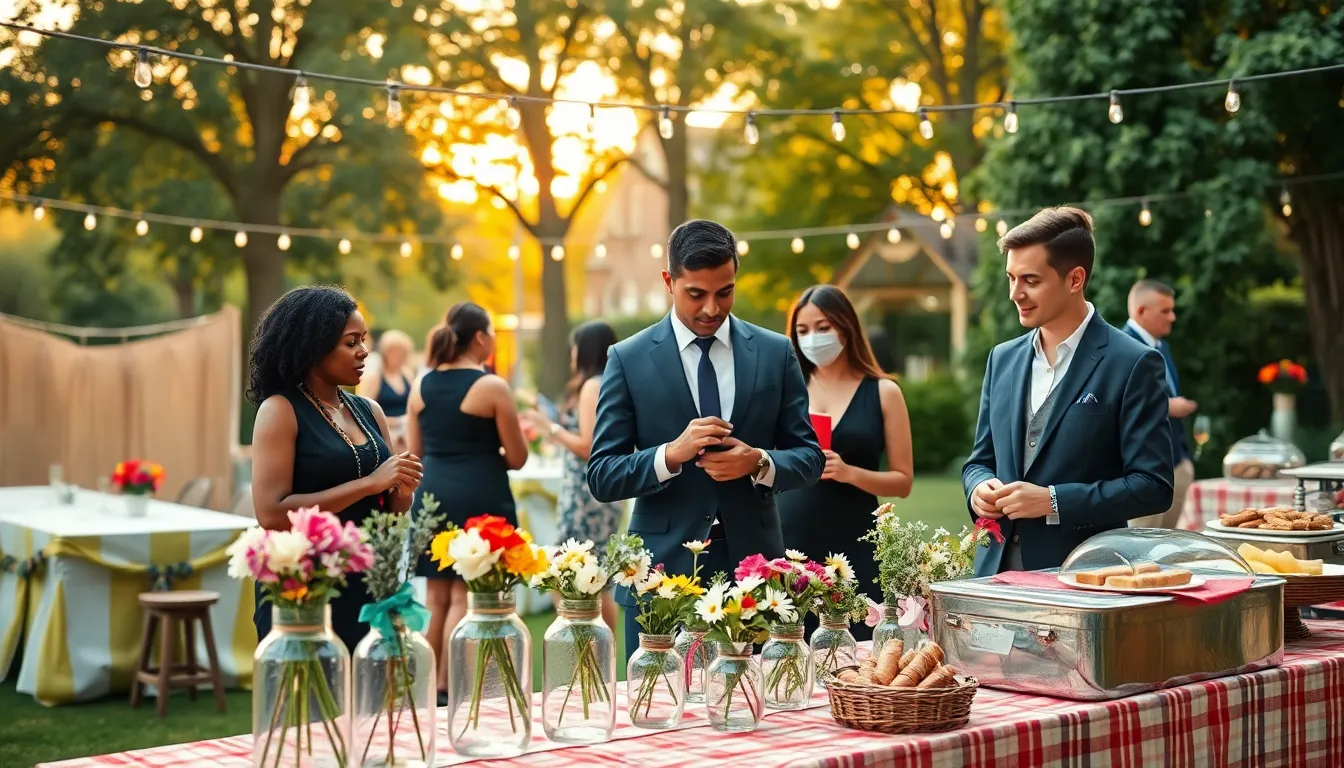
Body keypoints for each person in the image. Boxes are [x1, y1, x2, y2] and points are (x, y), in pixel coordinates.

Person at [587, 219, 825, 660]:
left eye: (725, 292)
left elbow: (810, 458)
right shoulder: (627, 358)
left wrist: (759, 462)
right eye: (696, 294)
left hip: (757, 578)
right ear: (669, 282)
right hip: (659, 579)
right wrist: (669, 455)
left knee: (758, 700)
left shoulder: (775, 352)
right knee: (661, 701)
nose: (712, 308)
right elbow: (602, 475)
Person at [963, 207, 1174, 577]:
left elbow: (1153, 486)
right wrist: (978, 488)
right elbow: (980, 460)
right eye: (1011, 278)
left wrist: (1053, 501)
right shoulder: (1002, 359)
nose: (1015, 293)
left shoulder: (1133, 362)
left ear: (1075, 279)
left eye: (1030, 280)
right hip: (995, 575)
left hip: (1083, 576)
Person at [247, 286, 424, 651]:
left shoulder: (369, 410)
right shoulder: (280, 410)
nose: (364, 351)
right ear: (314, 347)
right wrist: (370, 483)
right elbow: (271, 513)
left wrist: (401, 491)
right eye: (350, 342)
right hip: (306, 583)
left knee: (369, 686)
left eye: (364, 340)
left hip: (367, 580)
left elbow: (390, 512)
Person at [406, 303, 528, 702]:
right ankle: (448, 686)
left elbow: (416, 452)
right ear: (479, 337)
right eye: (491, 332)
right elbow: (517, 457)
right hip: (479, 492)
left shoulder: (421, 385)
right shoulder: (491, 386)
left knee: (436, 597)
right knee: (465, 595)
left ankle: (427, 687)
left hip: (433, 496)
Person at [778, 286, 912, 640]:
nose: (813, 338)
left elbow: (903, 481)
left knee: (859, 646)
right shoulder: (786, 390)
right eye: (803, 331)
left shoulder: (884, 392)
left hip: (855, 541)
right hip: (791, 539)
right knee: (788, 648)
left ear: (846, 326)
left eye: (823, 327)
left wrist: (849, 472)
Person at [520, 320, 624, 630]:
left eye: (575, 348)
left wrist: (550, 428)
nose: (572, 355)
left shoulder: (592, 385)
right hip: (596, 492)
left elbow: (589, 445)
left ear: (586, 349)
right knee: (594, 576)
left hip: (586, 495)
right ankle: (600, 647)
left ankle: (589, 642)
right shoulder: (607, 381)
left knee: (566, 570)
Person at [1123, 279, 1197, 530]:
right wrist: (1167, 407)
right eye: (1165, 311)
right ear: (1141, 311)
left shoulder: (1162, 346)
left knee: (1169, 544)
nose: (1172, 317)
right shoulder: (1121, 347)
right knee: (1140, 544)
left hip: (1176, 461)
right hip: (1143, 470)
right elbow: (1116, 403)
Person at [357, 329, 417, 454]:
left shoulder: (407, 375)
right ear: (385, 352)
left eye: (403, 353)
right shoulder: (375, 377)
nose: (400, 356)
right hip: (385, 434)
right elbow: (363, 411)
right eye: (396, 352)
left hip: (406, 434)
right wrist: (393, 422)